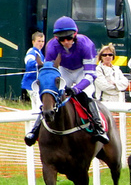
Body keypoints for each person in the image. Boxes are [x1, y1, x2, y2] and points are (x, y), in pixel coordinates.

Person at [24, 16, 109, 146]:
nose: (65, 42)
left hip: (82, 70)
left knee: (86, 94)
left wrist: (76, 89)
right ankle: (35, 129)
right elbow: (48, 72)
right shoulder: (52, 46)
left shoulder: (86, 44)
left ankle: (99, 127)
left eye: (69, 38)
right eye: (61, 39)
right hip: (64, 70)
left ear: (75, 34)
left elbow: (91, 75)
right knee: (52, 94)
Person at [21, 31, 45, 109]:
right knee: (37, 105)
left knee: (36, 104)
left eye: (42, 41)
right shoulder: (32, 51)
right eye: (39, 41)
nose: (41, 43)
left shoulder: (40, 53)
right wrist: (38, 64)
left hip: (36, 84)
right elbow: (28, 61)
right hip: (31, 83)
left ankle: (30, 121)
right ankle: (32, 120)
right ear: (33, 42)